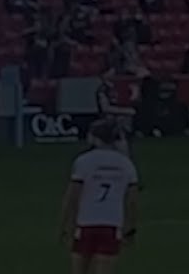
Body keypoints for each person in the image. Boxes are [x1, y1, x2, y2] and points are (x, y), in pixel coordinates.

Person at [60, 118, 139, 274]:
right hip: (111, 224)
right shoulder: (126, 164)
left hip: (86, 223)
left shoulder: (83, 161)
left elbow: (72, 196)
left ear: (94, 137)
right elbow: (132, 201)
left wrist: (64, 226)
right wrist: (130, 229)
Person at [96, 69, 136, 155]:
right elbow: (105, 108)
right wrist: (126, 111)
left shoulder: (114, 87)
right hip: (108, 121)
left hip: (117, 120)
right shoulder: (103, 90)